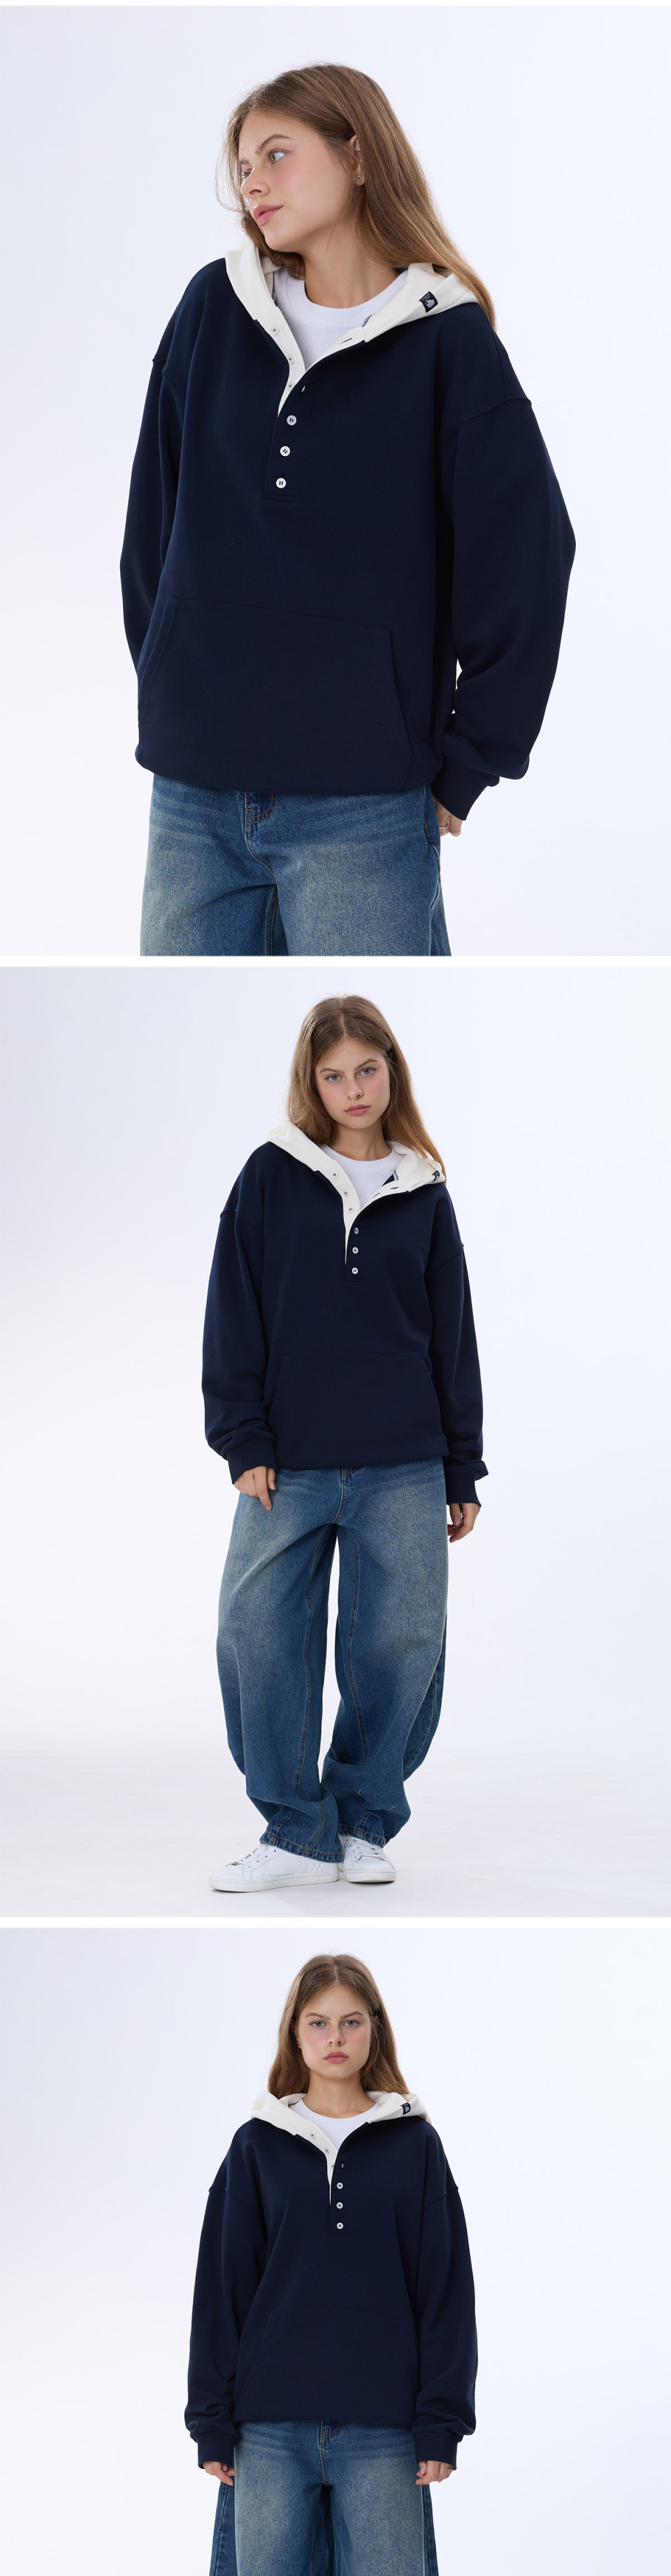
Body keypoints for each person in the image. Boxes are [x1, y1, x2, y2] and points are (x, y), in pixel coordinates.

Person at [120, 59, 576, 959]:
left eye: (276, 154)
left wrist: (471, 759)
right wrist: (176, 681)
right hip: (191, 795)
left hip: (362, 806)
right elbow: (150, 528)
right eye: (242, 166)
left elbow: (526, 558)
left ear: (358, 155)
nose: (252, 184)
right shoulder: (213, 308)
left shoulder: (447, 342)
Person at [185, 1950, 477, 2576]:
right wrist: (211, 2416)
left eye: (352, 2020)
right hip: (268, 2423)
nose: (336, 2037)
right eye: (318, 2022)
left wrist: (441, 2418)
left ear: (374, 2029)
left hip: (384, 2425)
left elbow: (445, 2289)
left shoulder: (415, 2144)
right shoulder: (256, 2144)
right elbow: (222, 2287)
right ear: (295, 2033)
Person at [202, 992, 486, 1894]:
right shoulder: (270, 1174)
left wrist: (462, 1465)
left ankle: (364, 1822)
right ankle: (294, 1830)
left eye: (368, 1068)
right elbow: (232, 1313)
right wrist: (242, 1437)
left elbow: (452, 1336)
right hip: (285, 1462)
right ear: (311, 1083)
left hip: (406, 1462)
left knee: (400, 1643)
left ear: (392, 1068)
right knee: (256, 1634)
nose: (354, 1088)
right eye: (334, 1075)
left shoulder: (424, 1188)